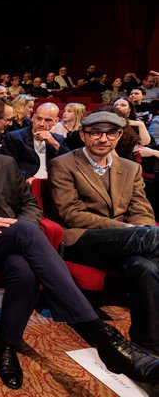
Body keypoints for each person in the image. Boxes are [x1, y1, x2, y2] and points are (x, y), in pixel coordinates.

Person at [0, 114, 159, 389]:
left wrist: (21, 228)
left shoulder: (5, 164)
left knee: (24, 272)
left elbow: (30, 204)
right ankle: (100, 334)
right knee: (28, 234)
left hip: (14, 238)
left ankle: (7, 344)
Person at [49, 111, 159, 355]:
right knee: (150, 236)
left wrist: (136, 231)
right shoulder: (63, 164)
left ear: (119, 136)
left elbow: (142, 211)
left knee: (145, 267)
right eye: (95, 133)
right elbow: (71, 214)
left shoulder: (131, 169)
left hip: (130, 245)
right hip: (83, 240)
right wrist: (128, 231)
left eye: (111, 134)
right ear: (83, 135)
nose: (103, 139)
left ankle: (148, 346)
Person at [2, 103, 69, 184]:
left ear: (56, 121)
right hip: (27, 182)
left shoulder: (58, 139)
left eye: (48, 120)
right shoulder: (15, 137)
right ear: (33, 118)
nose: (41, 124)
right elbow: (8, 165)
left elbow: (68, 162)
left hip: (52, 182)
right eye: (39, 118)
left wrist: (54, 143)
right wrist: (26, 178)